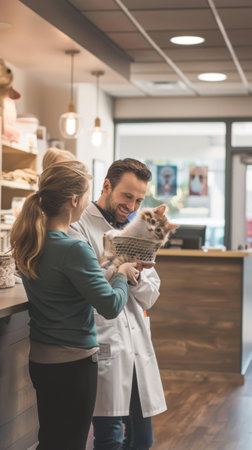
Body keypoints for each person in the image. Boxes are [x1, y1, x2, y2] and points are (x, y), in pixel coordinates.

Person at [10, 160, 140, 450]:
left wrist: (104, 261)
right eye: (85, 196)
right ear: (74, 200)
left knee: (52, 440)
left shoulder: (31, 241)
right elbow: (110, 305)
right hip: (74, 365)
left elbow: (64, 284)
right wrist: (120, 270)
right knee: (70, 444)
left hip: (42, 362)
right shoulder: (72, 247)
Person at [70, 158, 167, 450]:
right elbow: (92, 286)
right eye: (127, 196)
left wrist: (132, 270)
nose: (133, 206)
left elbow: (151, 293)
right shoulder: (78, 226)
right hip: (105, 341)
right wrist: (123, 267)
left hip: (136, 343)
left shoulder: (136, 228)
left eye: (139, 199)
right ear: (106, 186)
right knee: (109, 439)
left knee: (142, 440)